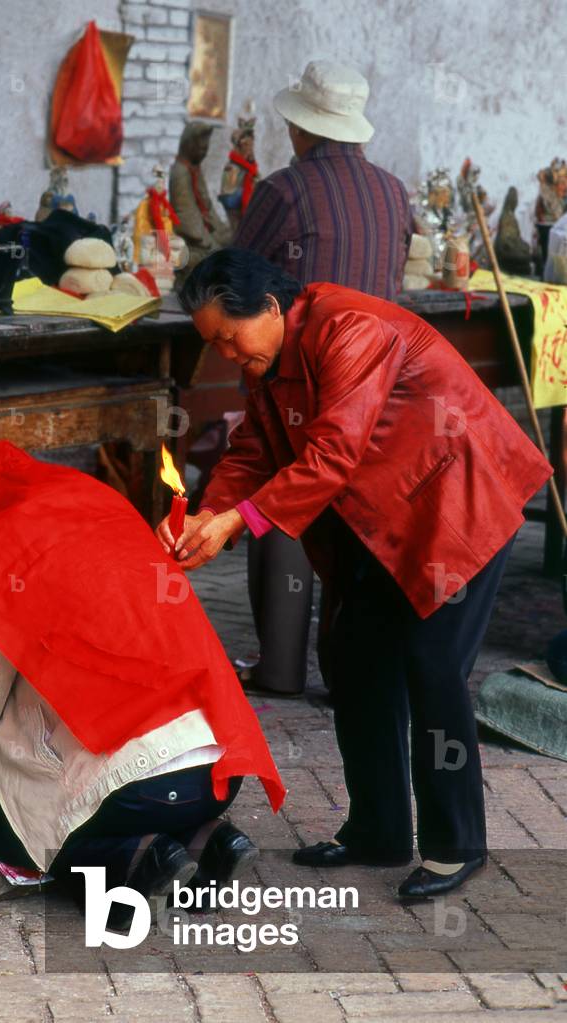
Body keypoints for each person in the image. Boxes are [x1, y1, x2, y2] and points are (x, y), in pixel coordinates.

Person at [156, 248, 552, 899]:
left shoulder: (348, 328)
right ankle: (379, 829)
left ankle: (457, 846)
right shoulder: (267, 363)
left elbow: (334, 450)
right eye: (214, 343)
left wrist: (236, 522)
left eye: (229, 336)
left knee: (431, 660)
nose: (226, 353)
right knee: (353, 654)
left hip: (459, 501)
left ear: (271, 307)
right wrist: (208, 514)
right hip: (386, 522)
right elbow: (252, 448)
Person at [0, 441, 285, 925]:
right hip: (219, 774)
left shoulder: (13, 554)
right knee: (128, 790)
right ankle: (209, 839)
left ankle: (137, 860)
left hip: (136, 790)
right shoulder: (113, 521)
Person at [232, 61, 414, 697]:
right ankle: (346, 671)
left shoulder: (284, 191)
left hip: (306, 373)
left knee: (286, 490)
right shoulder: (394, 191)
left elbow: (240, 279)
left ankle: (280, 666)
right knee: (356, 515)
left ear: (300, 129)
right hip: (383, 384)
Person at [169, 122, 232, 277]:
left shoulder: (194, 169)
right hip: (189, 240)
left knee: (232, 246)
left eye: (206, 149)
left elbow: (207, 205)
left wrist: (224, 232)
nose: (204, 153)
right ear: (190, 145)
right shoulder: (180, 172)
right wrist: (210, 243)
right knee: (217, 258)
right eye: (202, 149)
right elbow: (187, 215)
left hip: (202, 232)